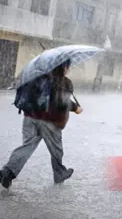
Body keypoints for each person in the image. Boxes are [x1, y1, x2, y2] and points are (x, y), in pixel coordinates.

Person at [0, 60, 83, 189]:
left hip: (30, 117)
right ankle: (59, 173)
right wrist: (76, 107)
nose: (68, 69)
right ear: (64, 67)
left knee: (27, 147)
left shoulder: (37, 77)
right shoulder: (64, 82)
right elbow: (61, 102)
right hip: (49, 121)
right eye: (68, 66)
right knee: (56, 149)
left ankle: (8, 172)